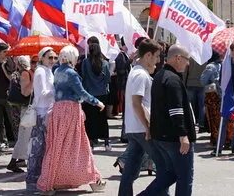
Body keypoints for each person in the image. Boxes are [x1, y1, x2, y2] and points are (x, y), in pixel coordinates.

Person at [37, 45, 106, 195]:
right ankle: (93, 180)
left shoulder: (57, 71)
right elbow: (81, 92)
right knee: (80, 145)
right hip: (70, 111)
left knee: (56, 147)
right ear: (72, 57)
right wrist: (97, 102)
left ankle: (50, 182)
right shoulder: (71, 73)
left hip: (58, 110)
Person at [138, 45, 195, 196]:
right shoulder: (173, 80)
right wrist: (183, 135)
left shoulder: (159, 76)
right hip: (174, 137)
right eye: (186, 59)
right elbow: (176, 110)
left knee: (169, 174)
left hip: (161, 136)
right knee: (184, 177)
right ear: (178, 58)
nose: (187, 63)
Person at [118, 39, 163, 196]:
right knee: (164, 167)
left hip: (135, 127)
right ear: (148, 55)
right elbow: (137, 103)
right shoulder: (140, 74)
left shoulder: (137, 72)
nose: (158, 60)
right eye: (156, 56)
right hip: (141, 128)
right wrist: (148, 126)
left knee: (130, 170)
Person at [25, 47, 56, 193]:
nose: (53, 60)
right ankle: (32, 179)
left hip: (48, 112)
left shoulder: (48, 71)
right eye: (50, 57)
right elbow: (42, 93)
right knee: (37, 148)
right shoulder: (40, 71)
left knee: (45, 148)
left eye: (55, 58)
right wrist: (58, 90)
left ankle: (42, 180)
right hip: (41, 113)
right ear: (42, 58)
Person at [81, 42, 111, 151]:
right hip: (102, 94)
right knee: (103, 119)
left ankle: (91, 143)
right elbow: (108, 79)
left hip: (89, 94)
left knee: (90, 119)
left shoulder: (85, 62)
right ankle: (106, 142)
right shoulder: (105, 63)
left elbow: (83, 77)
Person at [8, 55, 33, 173]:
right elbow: (25, 93)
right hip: (27, 108)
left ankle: (18, 161)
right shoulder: (25, 74)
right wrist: (34, 81)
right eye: (33, 62)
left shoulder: (27, 73)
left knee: (26, 136)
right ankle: (13, 161)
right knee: (24, 136)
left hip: (27, 108)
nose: (35, 64)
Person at [184, 57, 206, 134]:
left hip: (190, 83)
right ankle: (201, 124)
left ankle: (191, 123)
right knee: (202, 105)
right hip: (202, 84)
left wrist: (183, 82)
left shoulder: (190, 58)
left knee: (190, 105)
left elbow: (185, 71)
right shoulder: (205, 58)